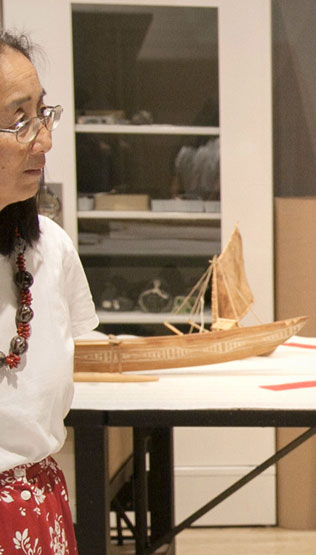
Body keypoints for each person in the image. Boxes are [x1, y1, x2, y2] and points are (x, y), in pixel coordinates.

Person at [0, 31, 98, 554]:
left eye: (42, 113)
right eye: (20, 120)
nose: (44, 139)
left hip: (39, 513)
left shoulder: (49, 250)